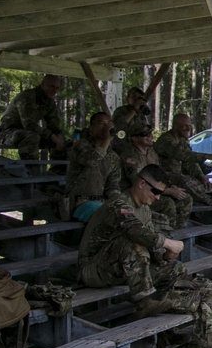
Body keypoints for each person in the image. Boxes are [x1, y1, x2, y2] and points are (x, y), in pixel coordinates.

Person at [78, 164, 187, 317]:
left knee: (176, 268)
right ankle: (144, 302)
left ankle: (165, 316)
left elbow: (152, 243)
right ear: (142, 183)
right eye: (155, 191)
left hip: (123, 268)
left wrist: (165, 255)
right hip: (94, 270)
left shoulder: (144, 209)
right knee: (134, 241)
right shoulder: (120, 204)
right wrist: (167, 243)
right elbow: (134, 230)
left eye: (161, 193)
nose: (157, 197)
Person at [120, 121, 193, 229]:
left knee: (186, 198)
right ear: (134, 138)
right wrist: (169, 191)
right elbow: (139, 183)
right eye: (145, 134)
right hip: (136, 195)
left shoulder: (151, 152)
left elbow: (159, 173)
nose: (150, 136)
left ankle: (179, 231)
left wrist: (171, 186)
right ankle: (167, 234)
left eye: (150, 133)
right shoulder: (130, 156)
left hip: (154, 190)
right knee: (168, 204)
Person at [64, 111, 122, 222]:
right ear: (91, 129)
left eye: (109, 124)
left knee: (129, 213)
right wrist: (107, 139)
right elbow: (92, 160)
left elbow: (113, 184)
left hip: (102, 202)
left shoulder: (113, 156)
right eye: (102, 124)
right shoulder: (80, 145)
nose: (106, 128)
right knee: (105, 215)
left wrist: (118, 200)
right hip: (78, 202)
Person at [0, 74, 66, 160]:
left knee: (59, 141)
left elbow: (53, 124)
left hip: (25, 132)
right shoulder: (27, 97)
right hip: (6, 132)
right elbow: (28, 124)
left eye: (57, 88)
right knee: (32, 137)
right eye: (52, 87)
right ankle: (31, 169)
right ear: (43, 84)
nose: (54, 90)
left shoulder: (49, 102)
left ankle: (58, 170)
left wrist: (59, 136)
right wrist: (51, 135)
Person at [153, 113, 212, 205]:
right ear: (176, 126)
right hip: (163, 177)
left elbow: (189, 162)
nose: (188, 129)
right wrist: (206, 156)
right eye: (185, 126)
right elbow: (181, 154)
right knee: (184, 180)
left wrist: (202, 178)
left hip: (175, 176)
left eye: (189, 126)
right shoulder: (165, 140)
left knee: (200, 183)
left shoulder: (182, 140)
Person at [110, 86, 152, 154]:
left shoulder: (140, 115)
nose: (136, 100)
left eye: (139, 98)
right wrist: (134, 109)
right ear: (127, 99)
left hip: (135, 149)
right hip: (121, 147)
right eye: (133, 97)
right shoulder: (121, 110)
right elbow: (119, 124)